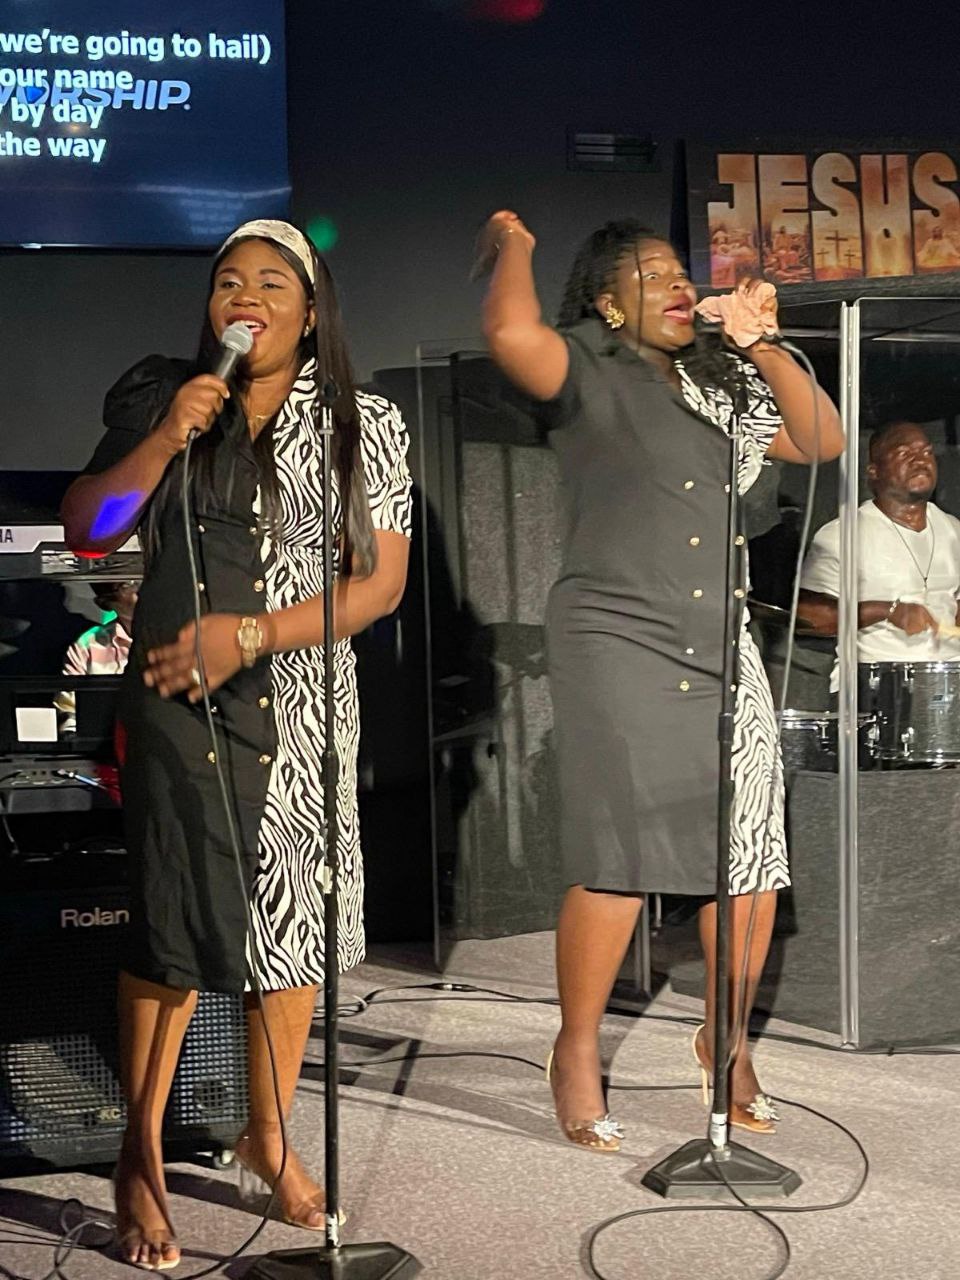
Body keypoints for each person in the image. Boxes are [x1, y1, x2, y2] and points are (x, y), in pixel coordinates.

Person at [61, 220, 412, 1270]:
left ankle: (268, 1136)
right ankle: (140, 1158)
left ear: (311, 311)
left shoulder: (362, 422)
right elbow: (88, 529)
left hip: (303, 705)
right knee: (173, 927)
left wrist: (252, 635)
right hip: (182, 704)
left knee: (293, 931)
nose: (244, 295)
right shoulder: (167, 397)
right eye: (227, 281)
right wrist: (169, 435)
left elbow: (377, 585)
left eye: (271, 282)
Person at [473, 211, 844, 1151]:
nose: (679, 286)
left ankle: (726, 1041)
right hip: (618, 639)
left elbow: (821, 439)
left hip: (721, 643)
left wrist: (761, 345)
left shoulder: (721, 384)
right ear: (607, 302)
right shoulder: (585, 366)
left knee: (749, 857)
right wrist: (515, 243)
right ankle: (577, 1048)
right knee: (623, 854)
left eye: (683, 273)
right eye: (652, 276)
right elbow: (510, 332)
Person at [798, 421, 960, 677]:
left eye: (927, 452)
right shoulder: (844, 534)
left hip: (949, 676)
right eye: (905, 453)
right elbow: (807, 616)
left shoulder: (953, 530)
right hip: (878, 678)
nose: (920, 460)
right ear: (874, 471)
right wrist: (887, 611)